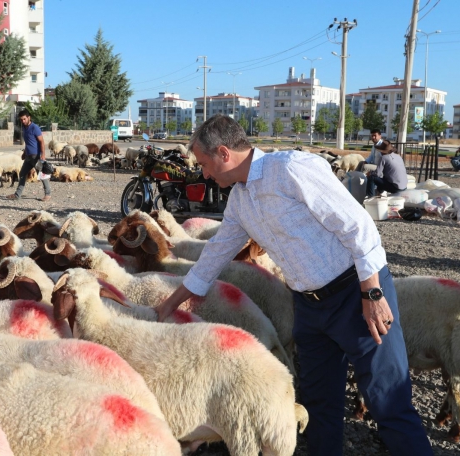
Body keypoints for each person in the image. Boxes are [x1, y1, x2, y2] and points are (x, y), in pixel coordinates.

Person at [155, 115, 432, 456]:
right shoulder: (240, 200)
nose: (205, 174)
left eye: (205, 164)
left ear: (224, 152)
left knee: (387, 398)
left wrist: (372, 292)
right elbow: (214, 255)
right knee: (318, 403)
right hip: (309, 306)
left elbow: (357, 226)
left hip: (356, 292)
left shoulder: (291, 169)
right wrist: (169, 304)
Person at [7, 109, 50, 201]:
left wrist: (43, 155)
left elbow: (41, 141)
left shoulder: (35, 128)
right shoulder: (25, 129)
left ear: (29, 118)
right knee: (22, 174)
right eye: (21, 120)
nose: (23, 121)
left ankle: (48, 194)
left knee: (41, 175)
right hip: (28, 156)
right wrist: (24, 152)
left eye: (24, 119)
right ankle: (17, 195)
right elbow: (28, 143)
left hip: (36, 156)